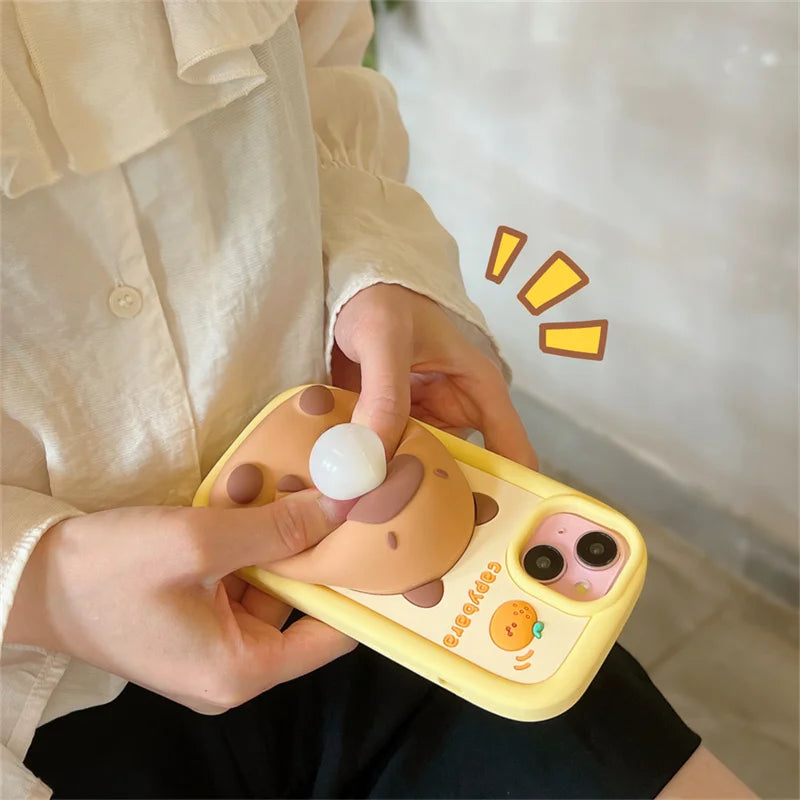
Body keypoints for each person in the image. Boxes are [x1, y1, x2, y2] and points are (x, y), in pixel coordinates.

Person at [1, 2, 755, 798]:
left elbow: (316, 56)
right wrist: (36, 580)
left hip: (389, 591)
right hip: (38, 708)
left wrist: (370, 263)